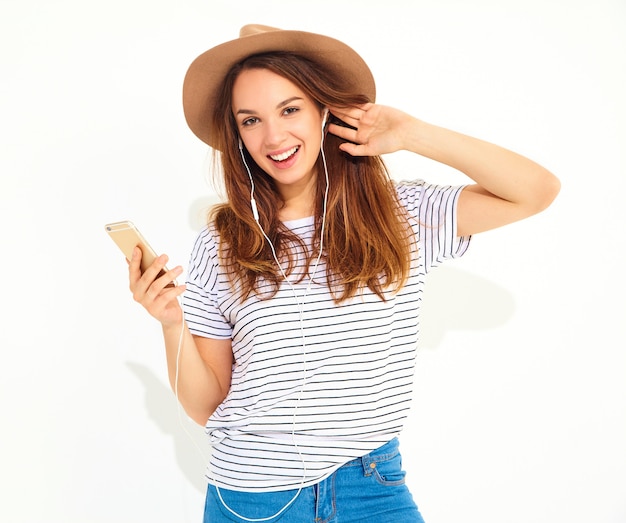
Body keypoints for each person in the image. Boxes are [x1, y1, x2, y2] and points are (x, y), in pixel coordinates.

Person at [128, 24, 560, 523]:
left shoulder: (404, 214)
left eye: (289, 109)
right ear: (238, 135)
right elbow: (207, 406)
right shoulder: (223, 243)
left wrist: (411, 134)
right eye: (251, 120)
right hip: (253, 499)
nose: (273, 136)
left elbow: (536, 190)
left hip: (372, 486)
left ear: (324, 110)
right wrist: (170, 323)